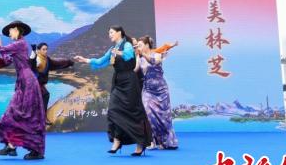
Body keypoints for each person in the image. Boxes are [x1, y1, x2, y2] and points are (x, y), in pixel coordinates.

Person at [75, 26, 152, 156]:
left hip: (129, 81)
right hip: (118, 82)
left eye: (111, 32)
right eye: (109, 33)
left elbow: (129, 55)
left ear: (119, 33)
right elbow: (100, 61)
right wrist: (85, 60)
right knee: (113, 111)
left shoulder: (127, 45)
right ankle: (117, 140)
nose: (109, 35)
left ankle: (140, 143)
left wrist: (118, 53)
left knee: (133, 113)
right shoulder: (112, 49)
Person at [0, 20, 45, 160]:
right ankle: (11, 146)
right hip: (23, 82)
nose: (9, 34)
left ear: (16, 29)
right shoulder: (18, 45)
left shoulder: (20, 43)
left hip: (28, 82)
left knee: (29, 116)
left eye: (10, 31)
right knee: (13, 113)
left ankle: (36, 150)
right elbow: (7, 59)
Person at [135, 36, 178, 150]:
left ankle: (165, 141)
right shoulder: (140, 58)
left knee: (164, 118)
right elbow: (135, 70)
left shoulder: (157, 54)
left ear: (147, 45)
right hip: (147, 90)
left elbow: (154, 62)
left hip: (161, 90)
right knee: (148, 114)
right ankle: (152, 141)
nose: (139, 47)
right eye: (138, 46)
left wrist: (143, 55)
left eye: (140, 45)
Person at [29, 43, 74, 125]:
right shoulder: (37, 59)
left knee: (41, 98)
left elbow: (57, 63)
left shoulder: (46, 59)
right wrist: (33, 52)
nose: (46, 51)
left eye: (46, 49)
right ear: (38, 50)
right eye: (43, 49)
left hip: (39, 84)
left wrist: (69, 62)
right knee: (45, 95)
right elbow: (31, 65)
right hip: (33, 84)